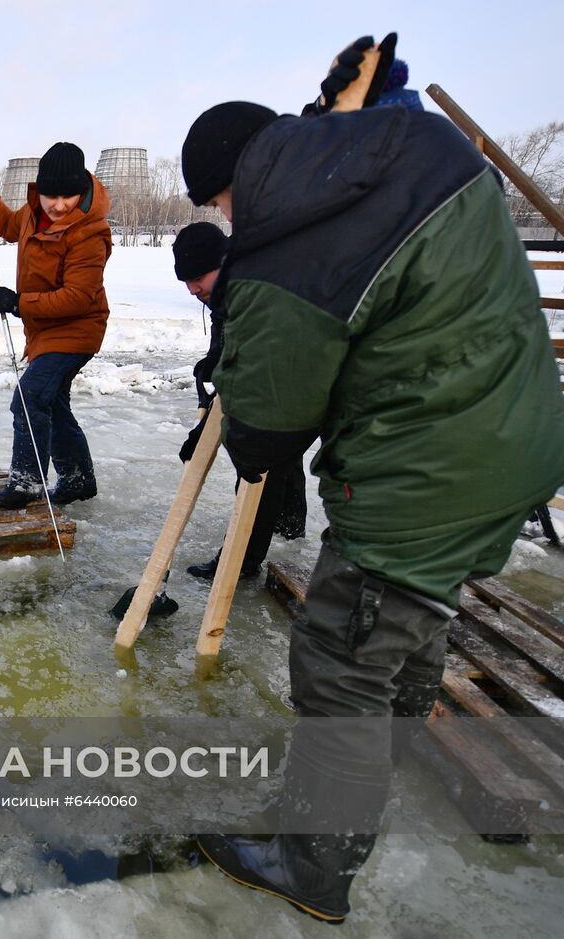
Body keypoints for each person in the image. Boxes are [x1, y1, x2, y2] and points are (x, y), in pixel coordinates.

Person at [181, 82, 564, 922]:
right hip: (517, 440)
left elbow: (270, 426)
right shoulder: (412, 150)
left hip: (425, 468)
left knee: (342, 658)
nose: (229, 219)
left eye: (218, 202)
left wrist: (243, 384)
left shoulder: (295, 236)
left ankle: (315, 862)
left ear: (235, 178)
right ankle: (381, 765)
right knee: (414, 611)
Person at [0, 144, 112, 509]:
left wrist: (18, 302)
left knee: (31, 397)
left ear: (82, 190)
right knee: (53, 403)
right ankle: (77, 480)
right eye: (49, 196)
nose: (57, 206)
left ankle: (27, 483)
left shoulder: (91, 232)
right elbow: (10, 226)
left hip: (77, 329)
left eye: (67, 196)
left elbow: (77, 297)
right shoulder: (34, 211)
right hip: (44, 329)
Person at [170, 222, 305, 583]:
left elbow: (255, 362)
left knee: (260, 463)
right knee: (278, 457)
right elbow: (227, 349)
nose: (193, 288)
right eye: (186, 280)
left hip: (293, 378)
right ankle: (290, 525)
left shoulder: (254, 289)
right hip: (276, 381)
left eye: (199, 276)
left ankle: (242, 559)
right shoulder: (224, 293)